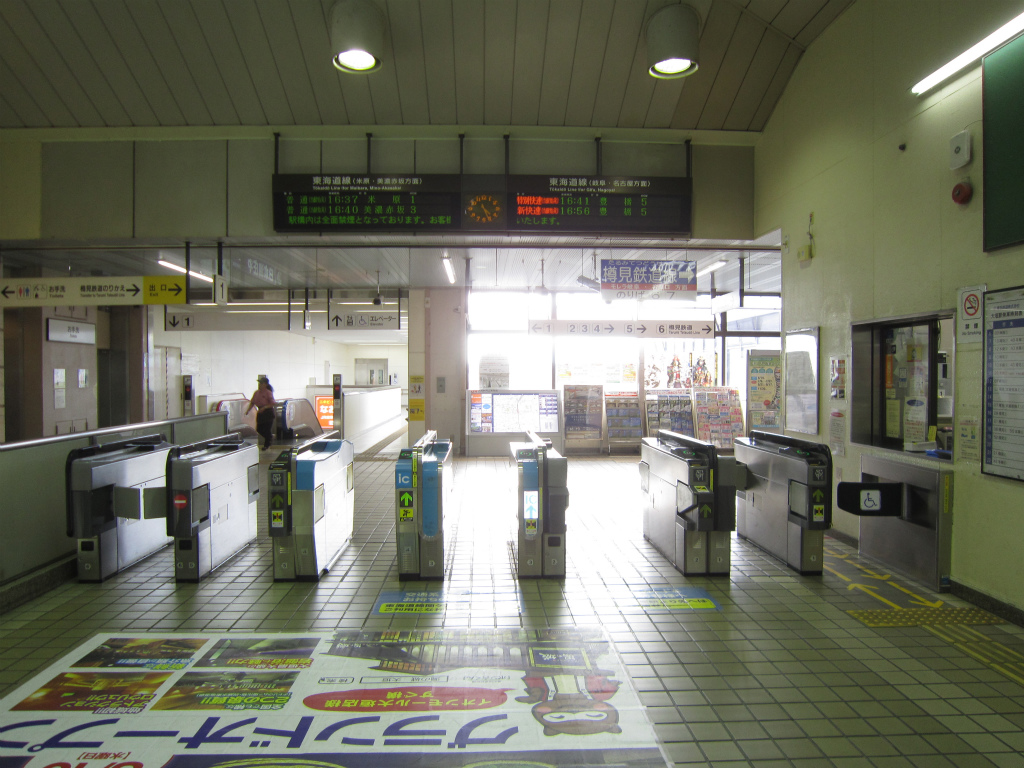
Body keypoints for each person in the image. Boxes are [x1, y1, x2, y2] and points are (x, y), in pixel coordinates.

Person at [245, 376, 277, 451]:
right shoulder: (256, 393)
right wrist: (248, 410)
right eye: (259, 383)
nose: (259, 385)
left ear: (265, 384)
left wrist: (264, 407)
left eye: (261, 383)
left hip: (268, 412)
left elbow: (273, 403)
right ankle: (270, 438)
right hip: (260, 412)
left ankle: (267, 444)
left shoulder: (268, 393)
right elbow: (252, 402)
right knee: (259, 429)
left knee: (267, 429)